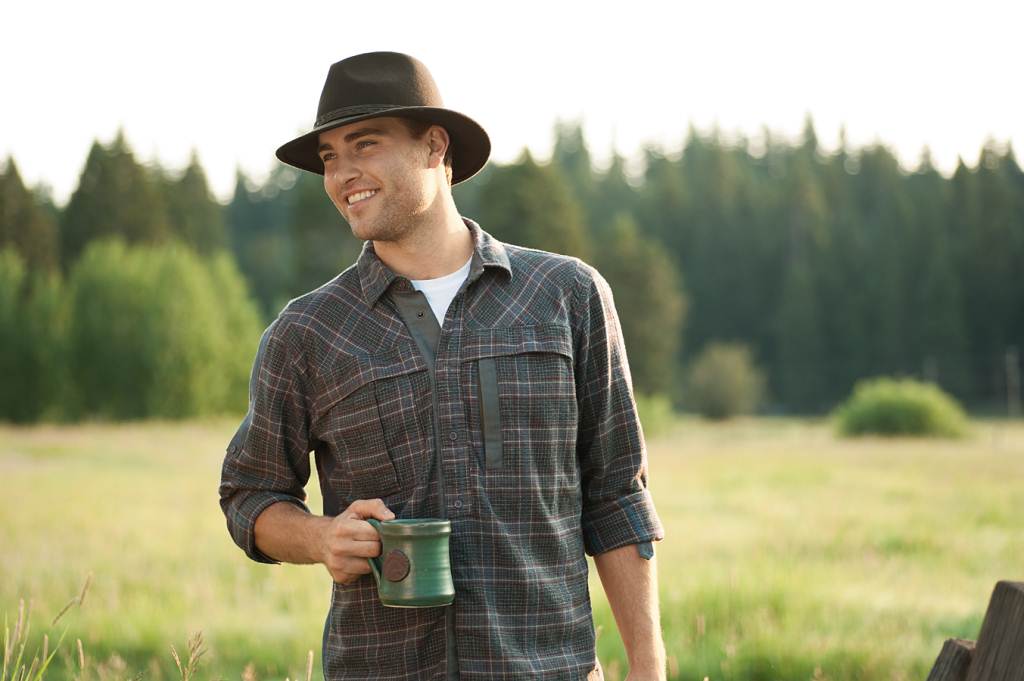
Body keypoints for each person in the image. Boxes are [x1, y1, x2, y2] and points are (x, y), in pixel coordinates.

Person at [218, 51, 666, 681]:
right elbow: (249, 496)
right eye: (329, 157)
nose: (343, 173)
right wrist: (319, 538)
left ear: (434, 147)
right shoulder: (307, 332)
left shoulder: (567, 296)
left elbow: (618, 497)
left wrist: (649, 672)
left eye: (364, 145)